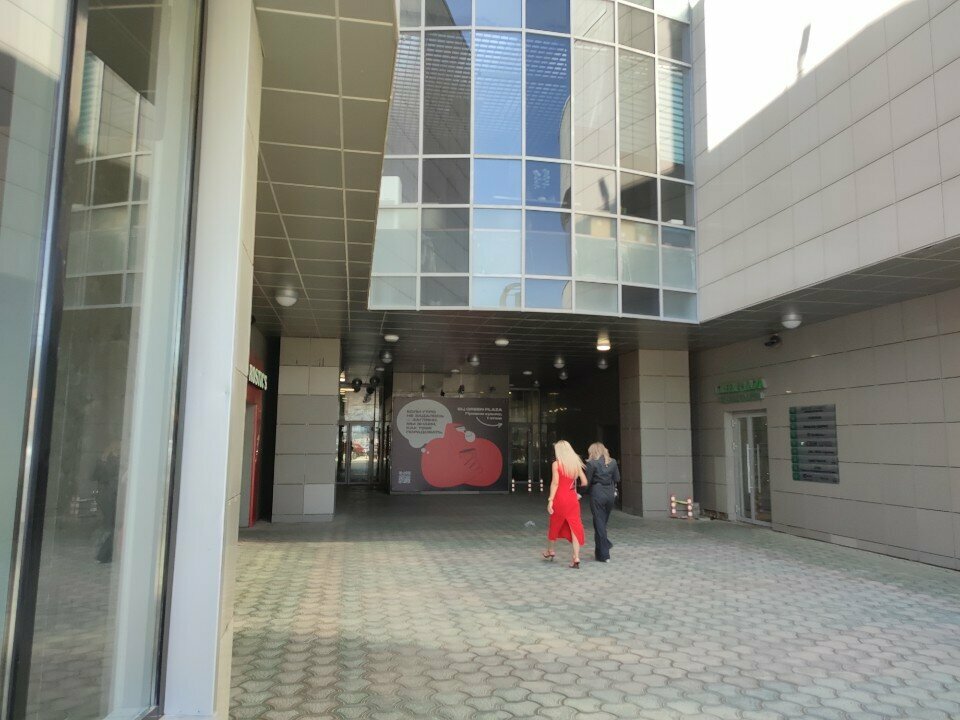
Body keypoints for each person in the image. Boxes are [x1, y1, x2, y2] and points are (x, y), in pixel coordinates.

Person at [542, 440, 588, 568]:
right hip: (572, 498)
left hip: (560, 498)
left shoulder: (556, 464)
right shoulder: (576, 464)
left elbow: (555, 483)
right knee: (574, 526)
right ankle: (576, 557)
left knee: (554, 524)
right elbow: (584, 482)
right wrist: (575, 491)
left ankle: (550, 550)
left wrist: (550, 500)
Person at [585, 442, 619, 563]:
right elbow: (617, 478)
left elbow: (587, 482)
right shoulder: (613, 462)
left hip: (597, 493)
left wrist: (581, 492)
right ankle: (599, 553)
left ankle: (605, 554)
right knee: (601, 523)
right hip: (609, 493)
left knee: (599, 523)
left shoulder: (591, 463)